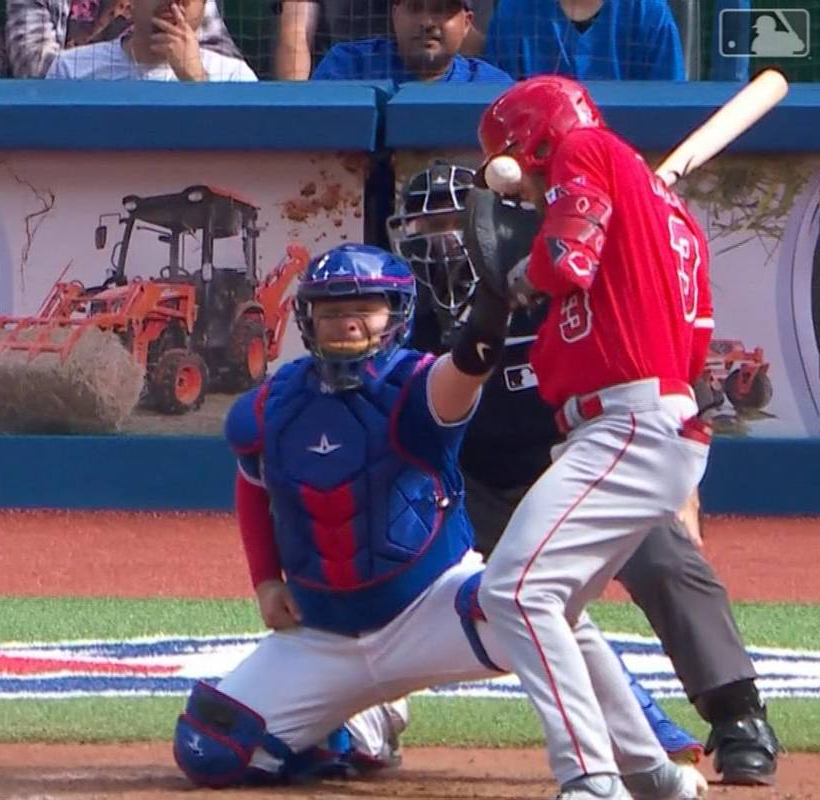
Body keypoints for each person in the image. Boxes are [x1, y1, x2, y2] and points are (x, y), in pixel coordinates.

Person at [171, 242, 706, 799]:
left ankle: (646, 749)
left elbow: (472, 362)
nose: (347, 322)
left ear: (396, 314)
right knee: (210, 749)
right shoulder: (268, 407)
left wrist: (495, 303)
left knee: (533, 604)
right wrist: (266, 578)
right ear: (308, 318)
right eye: (331, 310)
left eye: (366, 308)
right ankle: (360, 729)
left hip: (436, 607)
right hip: (322, 632)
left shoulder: (420, 384)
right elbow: (254, 485)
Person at [392, 159, 782, 786]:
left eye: (453, 221)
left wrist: (682, 491)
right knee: (396, 565)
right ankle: (366, 721)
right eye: (426, 224)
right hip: (473, 489)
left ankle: (738, 714)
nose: (441, 239)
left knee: (664, 557)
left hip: (581, 465)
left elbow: (661, 379)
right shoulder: (408, 316)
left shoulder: (568, 285)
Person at [470, 75, 721, 799]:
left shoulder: (585, 147)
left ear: (529, 139)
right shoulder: (669, 212)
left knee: (514, 591)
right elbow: (695, 341)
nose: (523, 195)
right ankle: (650, 773)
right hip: (650, 417)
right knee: (557, 606)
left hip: (630, 420)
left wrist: (527, 267)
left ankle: (590, 778)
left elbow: (569, 256)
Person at [6, 0, 240, 78]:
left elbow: (217, 63)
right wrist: (102, 65)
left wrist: (195, 79)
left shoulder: (232, 72)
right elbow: (35, 72)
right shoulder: (67, 68)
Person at [311, 0, 511, 82]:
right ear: (395, 15)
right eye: (415, 8)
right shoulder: (348, 68)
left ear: (467, 23)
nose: (427, 22)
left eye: (441, 10)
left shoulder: (491, 86)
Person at [483, 0, 684, 81]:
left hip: (627, 158)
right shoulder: (513, 13)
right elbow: (498, 110)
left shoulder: (649, 13)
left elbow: (670, 109)